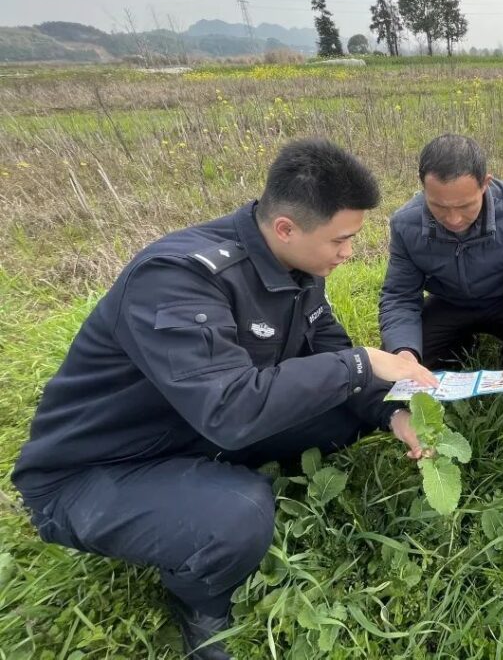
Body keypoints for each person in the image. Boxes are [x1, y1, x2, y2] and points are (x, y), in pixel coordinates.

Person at [12, 138, 438, 659]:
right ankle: (201, 606)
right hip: (97, 469)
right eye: (341, 240)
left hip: (194, 431)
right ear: (287, 227)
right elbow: (232, 410)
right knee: (239, 514)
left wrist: (391, 412)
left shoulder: (299, 269)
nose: (349, 253)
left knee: (344, 406)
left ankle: (200, 488)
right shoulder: (177, 278)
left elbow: (331, 351)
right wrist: (361, 364)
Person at [379, 134, 503, 389]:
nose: (453, 219)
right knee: (396, 358)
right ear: (423, 189)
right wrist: (405, 352)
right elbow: (399, 297)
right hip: (448, 303)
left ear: (485, 183)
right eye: (438, 206)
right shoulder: (406, 223)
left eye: (464, 206)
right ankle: (459, 346)